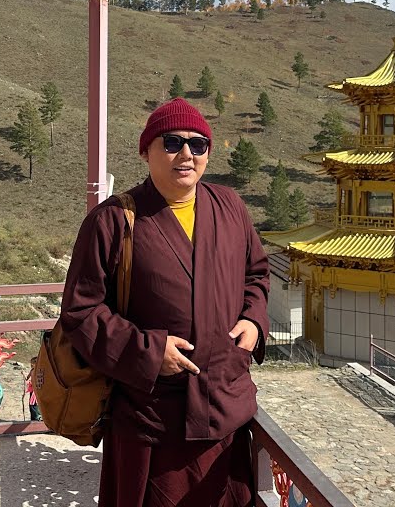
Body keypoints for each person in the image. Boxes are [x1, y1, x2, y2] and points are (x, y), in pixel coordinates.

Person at [60, 98, 270, 507]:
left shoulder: (230, 207)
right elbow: (81, 312)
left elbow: (257, 275)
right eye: (172, 142)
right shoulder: (113, 221)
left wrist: (254, 320)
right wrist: (151, 352)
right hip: (153, 417)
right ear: (146, 151)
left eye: (199, 144)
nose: (186, 154)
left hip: (226, 407)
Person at [25, 356, 42, 421]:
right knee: (32, 404)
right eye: (31, 363)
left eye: (33, 363)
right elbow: (27, 378)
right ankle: (34, 417)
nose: (31, 364)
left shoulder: (38, 371)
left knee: (35, 403)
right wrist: (23, 374)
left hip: (36, 389)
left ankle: (37, 416)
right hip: (32, 389)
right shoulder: (32, 370)